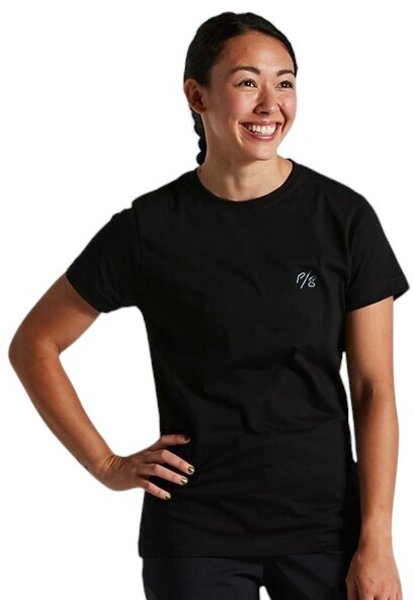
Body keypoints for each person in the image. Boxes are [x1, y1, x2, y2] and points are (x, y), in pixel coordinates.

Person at [8, 10, 409, 600]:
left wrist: (377, 538)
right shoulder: (148, 229)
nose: (270, 103)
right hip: (195, 530)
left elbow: (374, 390)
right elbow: (34, 345)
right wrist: (106, 465)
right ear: (197, 95)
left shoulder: (343, 219)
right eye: (247, 82)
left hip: (327, 528)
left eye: (285, 82)